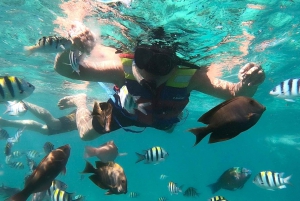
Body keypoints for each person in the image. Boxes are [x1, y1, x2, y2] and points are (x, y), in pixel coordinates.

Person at [53, 22, 265, 141]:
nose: (149, 71)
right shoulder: (121, 68)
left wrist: (250, 83)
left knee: (169, 127)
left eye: (160, 63)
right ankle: (81, 100)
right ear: (135, 55)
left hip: (162, 118)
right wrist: (71, 48)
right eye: (142, 59)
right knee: (85, 135)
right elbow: (68, 71)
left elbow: (235, 94)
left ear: (174, 64)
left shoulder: (190, 76)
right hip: (123, 111)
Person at [0, 101, 77, 135]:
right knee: (55, 124)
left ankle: (4, 122)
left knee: (44, 129)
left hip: (83, 119)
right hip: (85, 116)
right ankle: (20, 101)